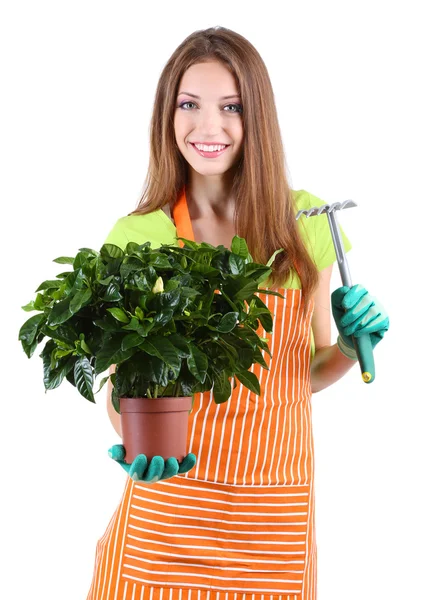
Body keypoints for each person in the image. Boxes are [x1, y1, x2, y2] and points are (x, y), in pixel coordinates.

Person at [86, 26, 389, 600]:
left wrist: (349, 348)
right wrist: (134, 440)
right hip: (166, 522)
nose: (208, 126)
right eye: (188, 104)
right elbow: (122, 385)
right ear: (166, 115)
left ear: (257, 119)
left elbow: (305, 370)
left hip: (272, 526)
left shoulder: (303, 223)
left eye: (231, 107)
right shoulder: (137, 236)